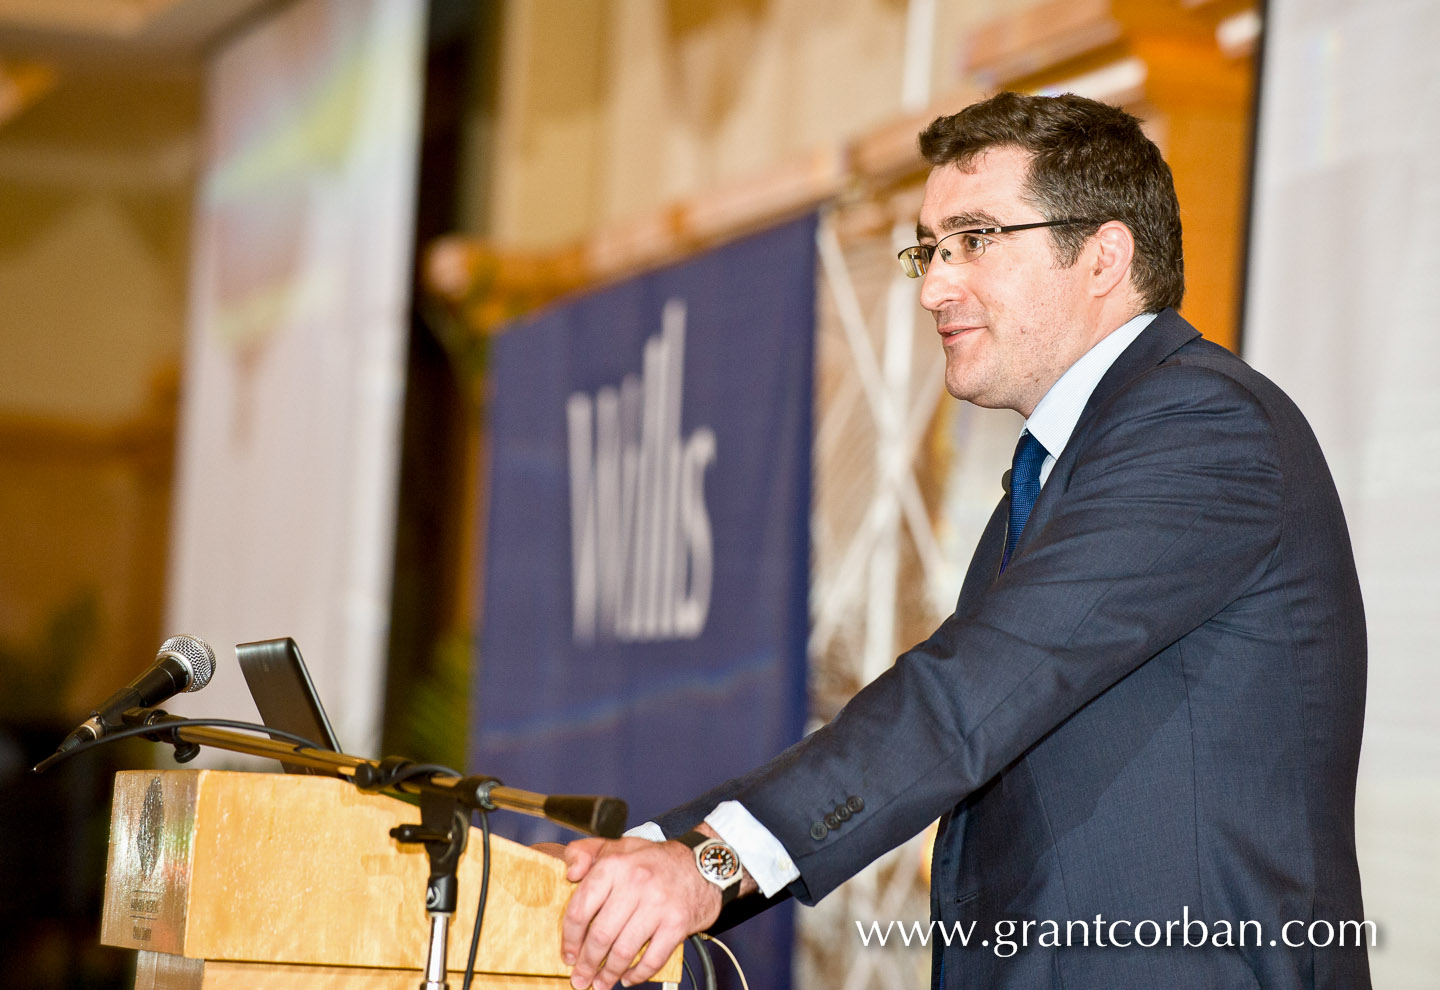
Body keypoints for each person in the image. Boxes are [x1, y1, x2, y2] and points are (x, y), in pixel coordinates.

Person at [552, 91, 1370, 990]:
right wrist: (665, 853)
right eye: (930, 249)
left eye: (975, 240)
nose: (936, 285)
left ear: (1103, 256)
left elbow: (969, 697)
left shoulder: (1204, 427)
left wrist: (708, 865)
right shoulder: (1069, 463)